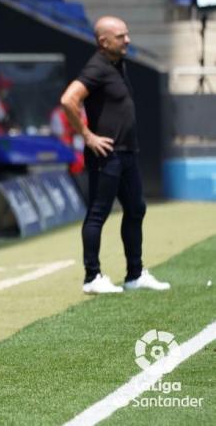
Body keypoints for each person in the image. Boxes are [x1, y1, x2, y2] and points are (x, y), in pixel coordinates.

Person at [60, 16, 170, 295]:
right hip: (106, 155)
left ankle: (135, 274)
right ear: (103, 42)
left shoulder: (117, 63)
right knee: (98, 213)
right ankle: (92, 277)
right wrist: (88, 136)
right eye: (121, 36)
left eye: (127, 34)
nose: (128, 40)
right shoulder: (96, 67)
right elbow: (68, 100)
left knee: (136, 209)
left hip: (127, 153)